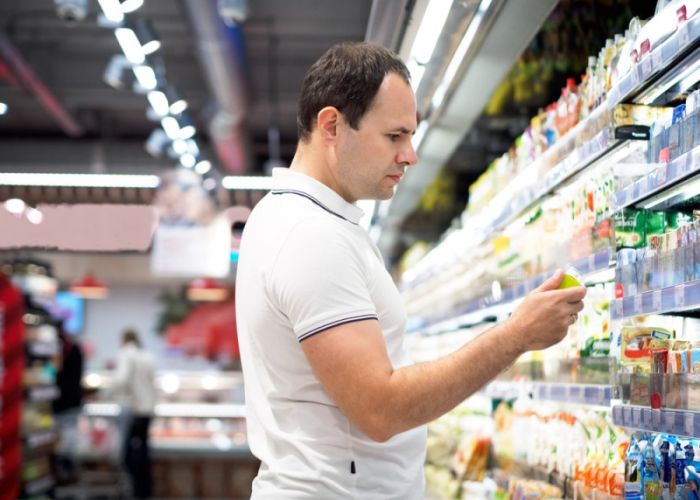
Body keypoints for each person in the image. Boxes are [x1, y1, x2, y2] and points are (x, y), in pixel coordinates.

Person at [235, 42, 587, 499]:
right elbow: (379, 409)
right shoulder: (309, 235)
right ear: (332, 126)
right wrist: (516, 335)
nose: (410, 155)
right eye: (395, 136)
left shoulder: (316, 222)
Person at [112, 329, 156, 499]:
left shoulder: (126, 354)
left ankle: (133, 492)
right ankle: (144, 492)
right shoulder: (147, 356)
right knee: (143, 453)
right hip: (147, 411)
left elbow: (121, 380)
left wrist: (106, 393)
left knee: (129, 456)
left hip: (134, 410)